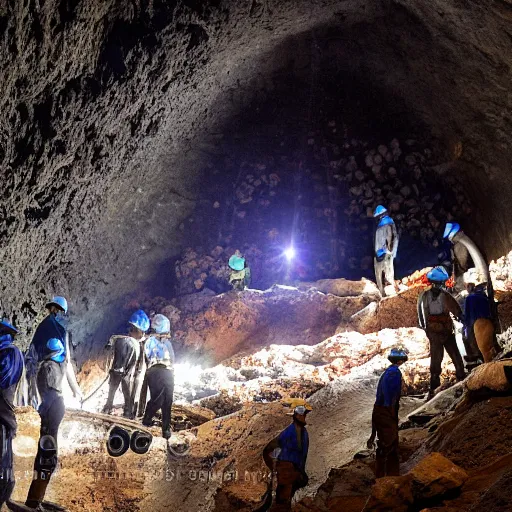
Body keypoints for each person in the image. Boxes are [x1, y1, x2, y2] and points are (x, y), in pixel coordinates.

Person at [18, 296, 82, 512]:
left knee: (46, 451)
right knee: (47, 453)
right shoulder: (54, 358)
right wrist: (74, 390)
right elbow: (67, 363)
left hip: (50, 400)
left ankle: (35, 499)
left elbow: (30, 362)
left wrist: (32, 397)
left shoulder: (42, 334)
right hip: (52, 402)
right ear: (60, 311)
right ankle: (34, 501)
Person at [417, 267, 466, 398]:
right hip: (446, 331)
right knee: (455, 355)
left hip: (433, 332)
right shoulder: (445, 295)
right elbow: (456, 310)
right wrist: (462, 318)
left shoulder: (424, 296)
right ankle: (462, 379)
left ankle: (433, 387)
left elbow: (421, 315)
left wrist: (427, 330)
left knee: (436, 359)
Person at [262, 399, 311, 511]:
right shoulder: (287, 433)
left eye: (304, 414)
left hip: (294, 471)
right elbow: (267, 450)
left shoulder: (304, 434)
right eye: (302, 413)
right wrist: (275, 468)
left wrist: (300, 471)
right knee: (282, 500)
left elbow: (302, 456)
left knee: (287, 501)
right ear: (295, 414)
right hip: (286, 469)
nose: (303, 416)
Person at [367, 348, 408, 477]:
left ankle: (387, 473)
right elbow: (390, 393)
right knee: (388, 442)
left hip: (381, 410)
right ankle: (385, 476)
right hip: (385, 411)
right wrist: (391, 408)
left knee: (388, 442)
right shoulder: (394, 373)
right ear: (401, 360)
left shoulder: (388, 372)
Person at [102, 309, 149, 418]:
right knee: (126, 382)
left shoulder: (121, 338)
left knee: (117, 380)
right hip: (132, 372)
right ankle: (128, 411)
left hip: (126, 370)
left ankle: (109, 407)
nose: (130, 332)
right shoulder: (132, 342)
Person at [0, 321, 24, 508]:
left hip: (2, 412)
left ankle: (3, 492)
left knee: (3, 457)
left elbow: (5, 380)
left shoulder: (10, 353)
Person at [141, 314, 175, 439]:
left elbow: (172, 358)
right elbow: (149, 356)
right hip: (155, 371)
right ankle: (147, 420)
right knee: (158, 399)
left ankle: (166, 429)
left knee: (168, 401)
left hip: (167, 371)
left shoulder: (167, 343)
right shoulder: (150, 341)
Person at [464, 283, 501, 363]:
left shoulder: (469, 298)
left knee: (485, 352)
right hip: (489, 322)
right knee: (491, 348)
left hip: (478, 324)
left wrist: (466, 327)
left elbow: (468, 317)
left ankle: (475, 357)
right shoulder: (483, 296)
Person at [373, 205, 399, 296]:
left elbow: (393, 238)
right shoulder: (382, 224)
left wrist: (391, 252)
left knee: (387, 276)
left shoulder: (387, 223)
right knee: (382, 276)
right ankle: (384, 296)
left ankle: (389, 296)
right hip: (381, 253)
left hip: (384, 253)